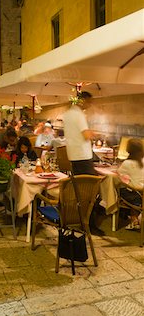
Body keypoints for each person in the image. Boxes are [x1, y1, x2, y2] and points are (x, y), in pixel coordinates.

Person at [63, 91, 104, 236]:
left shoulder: (67, 114)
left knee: (80, 192)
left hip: (73, 156)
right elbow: (85, 135)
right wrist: (95, 134)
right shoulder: (79, 115)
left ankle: (81, 220)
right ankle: (89, 224)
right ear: (84, 101)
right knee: (90, 192)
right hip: (83, 156)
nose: (90, 105)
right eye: (89, 102)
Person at [117, 138, 144, 230]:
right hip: (141, 193)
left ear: (128, 149)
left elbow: (119, 176)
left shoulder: (127, 163)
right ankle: (134, 218)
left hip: (135, 195)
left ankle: (133, 219)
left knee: (118, 187)